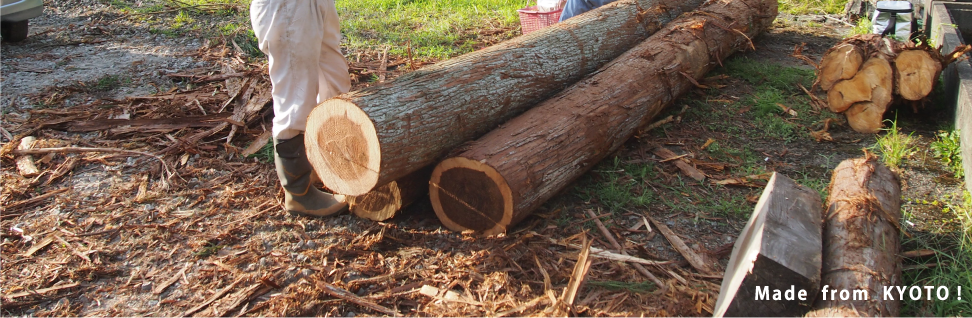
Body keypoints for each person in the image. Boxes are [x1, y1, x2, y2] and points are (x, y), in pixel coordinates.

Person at [250, 0, 351, 217]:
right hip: (287, 5)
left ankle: (324, 166)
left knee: (335, 82)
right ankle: (298, 192)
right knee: (296, 94)